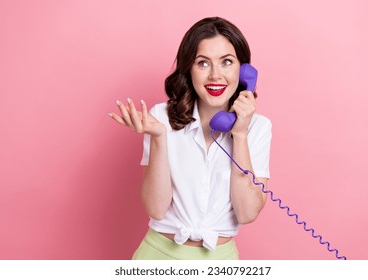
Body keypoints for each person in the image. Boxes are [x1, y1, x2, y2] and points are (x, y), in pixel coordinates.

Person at [109, 17, 272, 260]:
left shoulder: (258, 127)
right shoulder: (161, 118)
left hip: (220, 259)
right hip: (159, 255)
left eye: (227, 62)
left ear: (244, 71)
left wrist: (239, 134)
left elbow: (247, 213)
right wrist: (158, 138)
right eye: (203, 63)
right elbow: (156, 208)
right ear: (189, 69)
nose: (216, 75)